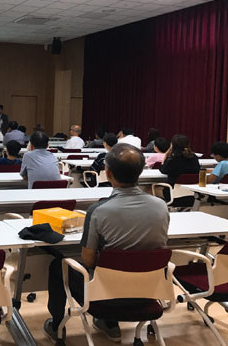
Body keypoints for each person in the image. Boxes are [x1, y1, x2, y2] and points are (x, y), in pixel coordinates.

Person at [44, 144, 169, 343]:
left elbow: (88, 260)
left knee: (58, 265)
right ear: (140, 172)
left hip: (105, 298)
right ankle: (110, 325)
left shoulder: (99, 211)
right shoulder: (161, 206)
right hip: (148, 293)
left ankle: (57, 325)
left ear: (107, 172)